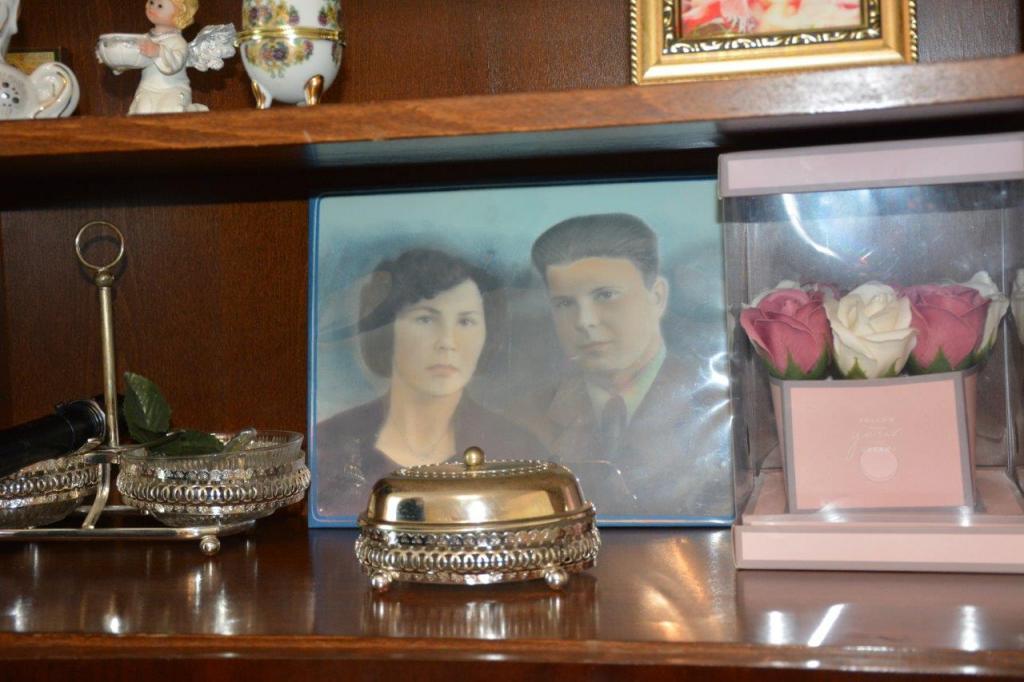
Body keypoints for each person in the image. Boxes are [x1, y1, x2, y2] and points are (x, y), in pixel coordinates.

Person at [521, 213, 731, 518]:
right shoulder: (527, 417)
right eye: (565, 303)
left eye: (605, 295)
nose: (585, 321)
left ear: (657, 296)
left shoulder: (718, 407)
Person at [315, 248, 547, 518]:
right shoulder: (328, 444)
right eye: (425, 319)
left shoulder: (519, 450)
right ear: (386, 330)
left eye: (466, 321)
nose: (447, 342)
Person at [130, 0, 206, 114]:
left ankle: (191, 110)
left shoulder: (178, 42)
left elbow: (175, 64)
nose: (152, 7)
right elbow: (131, 58)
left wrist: (158, 51)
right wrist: (115, 57)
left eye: (160, 6)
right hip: (147, 89)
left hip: (173, 88)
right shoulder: (143, 39)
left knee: (170, 111)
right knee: (141, 112)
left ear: (179, 13)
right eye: (151, 2)